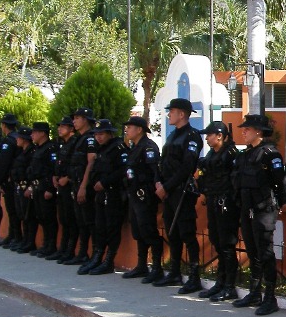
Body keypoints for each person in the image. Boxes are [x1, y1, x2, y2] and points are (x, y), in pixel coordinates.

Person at [231, 114, 286, 316]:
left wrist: (279, 205)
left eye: (247, 129)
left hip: (264, 209)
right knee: (253, 251)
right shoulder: (246, 155)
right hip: (247, 209)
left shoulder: (270, 154)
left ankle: (270, 297)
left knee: (265, 253)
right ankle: (255, 292)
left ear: (258, 131)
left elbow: (281, 183)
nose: (243, 132)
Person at [155, 98, 203, 293]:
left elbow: (186, 167)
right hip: (167, 191)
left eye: (172, 111)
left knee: (187, 233)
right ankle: (175, 271)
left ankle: (194, 276)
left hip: (181, 191)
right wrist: (159, 183)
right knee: (172, 232)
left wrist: (166, 186)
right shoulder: (172, 136)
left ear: (182, 114)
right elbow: (163, 162)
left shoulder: (192, 137)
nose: (169, 115)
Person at [196, 120, 240, 301]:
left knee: (227, 244)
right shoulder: (212, 154)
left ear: (220, 136)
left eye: (209, 135)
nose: (206, 138)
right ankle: (220, 283)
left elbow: (235, 181)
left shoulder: (231, 154)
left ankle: (230, 285)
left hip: (226, 203)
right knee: (216, 240)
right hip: (213, 200)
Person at [80, 119, 128, 276]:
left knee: (112, 228)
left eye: (101, 134)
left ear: (109, 133)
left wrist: (105, 182)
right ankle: (97, 256)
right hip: (101, 195)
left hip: (113, 194)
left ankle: (109, 260)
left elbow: (123, 170)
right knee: (99, 227)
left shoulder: (119, 148)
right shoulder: (102, 149)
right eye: (96, 134)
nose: (98, 137)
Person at [122, 116, 164, 283]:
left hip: (144, 195)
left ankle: (157, 268)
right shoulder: (134, 147)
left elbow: (154, 171)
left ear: (139, 129)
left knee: (148, 230)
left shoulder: (148, 147)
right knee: (138, 231)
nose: (127, 130)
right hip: (134, 194)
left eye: (130, 127)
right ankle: (141, 265)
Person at [63, 108, 97, 267]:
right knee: (80, 221)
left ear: (86, 120)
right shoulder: (79, 139)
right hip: (75, 184)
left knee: (89, 221)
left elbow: (91, 162)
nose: (74, 121)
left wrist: (83, 186)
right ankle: (82, 253)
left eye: (77, 118)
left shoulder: (90, 138)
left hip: (86, 186)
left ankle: (91, 255)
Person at [25, 121, 59, 257]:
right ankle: (45, 244)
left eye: (34, 132)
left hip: (46, 187)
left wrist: (50, 189)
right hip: (37, 187)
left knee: (48, 217)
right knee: (41, 217)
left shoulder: (51, 148)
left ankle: (51, 246)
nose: (32, 135)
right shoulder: (37, 148)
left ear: (43, 133)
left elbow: (52, 170)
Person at [50, 117, 79, 263]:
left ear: (71, 129)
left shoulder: (75, 142)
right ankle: (63, 249)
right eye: (59, 126)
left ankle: (70, 251)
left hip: (70, 185)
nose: (59, 129)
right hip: (61, 185)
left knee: (70, 219)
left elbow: (77, 164)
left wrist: (67, 178)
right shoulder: (62, 143)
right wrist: (56, 175)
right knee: (63, 218)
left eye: (63, 126)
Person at [0, 113, 21, 248]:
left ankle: (16, 237)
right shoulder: (18, 138)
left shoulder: (8, 141)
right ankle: (13, 235)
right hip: (17, 178)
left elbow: (4, 162)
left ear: (4, 126)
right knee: (15, 210)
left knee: (12, 210)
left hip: (11, 179)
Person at [9, 126, 36, 254]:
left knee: (29, 216)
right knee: (22, 215)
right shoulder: (22, 152)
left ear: (25, 139)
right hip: (19, 186)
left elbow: (32, 172)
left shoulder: (31, 152)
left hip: (27, 187)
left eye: (19, 138)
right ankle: (25, 240)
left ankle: (30, 242)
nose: (17, 140)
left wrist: (30, 187)